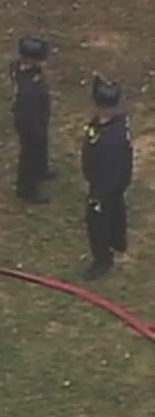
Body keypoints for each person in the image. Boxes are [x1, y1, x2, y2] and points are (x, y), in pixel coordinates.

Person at [80, 76, 134, 280]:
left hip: (104, 185)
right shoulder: (117, 125)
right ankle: (118, 240)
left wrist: (97, 195)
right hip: (116, 183)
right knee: (117, 206)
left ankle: (103, 259)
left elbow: (110, 170)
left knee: (97, 221)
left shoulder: (110, 138)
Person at [10, 36, 53, 204]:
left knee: (41, 146)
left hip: (38, 116)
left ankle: (41, 169)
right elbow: (27, 113)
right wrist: (36, 129)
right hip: (30, 122)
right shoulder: (27, 87)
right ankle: (26, 190)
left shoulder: (24, 71)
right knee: (29, 154)